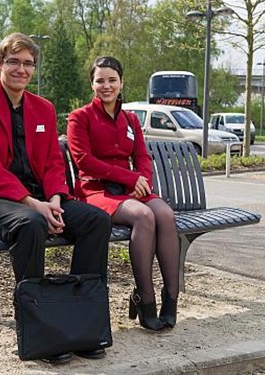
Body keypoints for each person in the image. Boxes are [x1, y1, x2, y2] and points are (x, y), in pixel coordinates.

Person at [0, 33, 111, 364]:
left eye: (28, 63)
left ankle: (80, 322)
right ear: (0, 63)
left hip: (42, 197)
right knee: (30, 224)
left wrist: (54, 197)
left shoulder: (44, 108)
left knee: (96, 220)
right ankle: (41, 330)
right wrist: (33, 204)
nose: (21, 69)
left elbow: (54, 161)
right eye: (13, 61)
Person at [67, 56, 180, 332]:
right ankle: (146, 299)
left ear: (121, 82)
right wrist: (130, 177)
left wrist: (142, 180)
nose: (106, 86)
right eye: (100, 80)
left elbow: (142, 156)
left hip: (129, 190)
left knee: (164, 213)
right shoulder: (79, 118)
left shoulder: (131, 119)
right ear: (92, 84)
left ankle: (171, 299)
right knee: (144, 216)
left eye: (112, 80)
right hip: (96, 190)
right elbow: (84, 161)